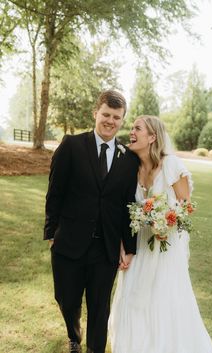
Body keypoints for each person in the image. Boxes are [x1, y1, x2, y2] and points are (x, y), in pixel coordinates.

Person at [109, 115, 212, 353]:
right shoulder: (130, 168)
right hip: (139, 245)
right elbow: (123, 210)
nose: (131, 132)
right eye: (132, 128)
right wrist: (122, 246)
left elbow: (186, 206)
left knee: (164, 297)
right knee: (134, 296)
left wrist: (165, 221)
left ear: (152, 137)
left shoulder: (171, 165)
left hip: (166, 245)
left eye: (138, 128)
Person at [43, 90, 139, 353]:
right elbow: (55, 192)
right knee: (66, 299)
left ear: (122, 121)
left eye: (116, 117)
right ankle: (74, 335)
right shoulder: (71, 145)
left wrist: (129, 247)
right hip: (69, 242)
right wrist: (52, 232)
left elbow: (128, 204)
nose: (110, 121)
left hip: (104, 248)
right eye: (106, 114)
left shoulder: (129, 159)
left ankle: (95, 349)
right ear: (95, 113)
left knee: (100, 306)